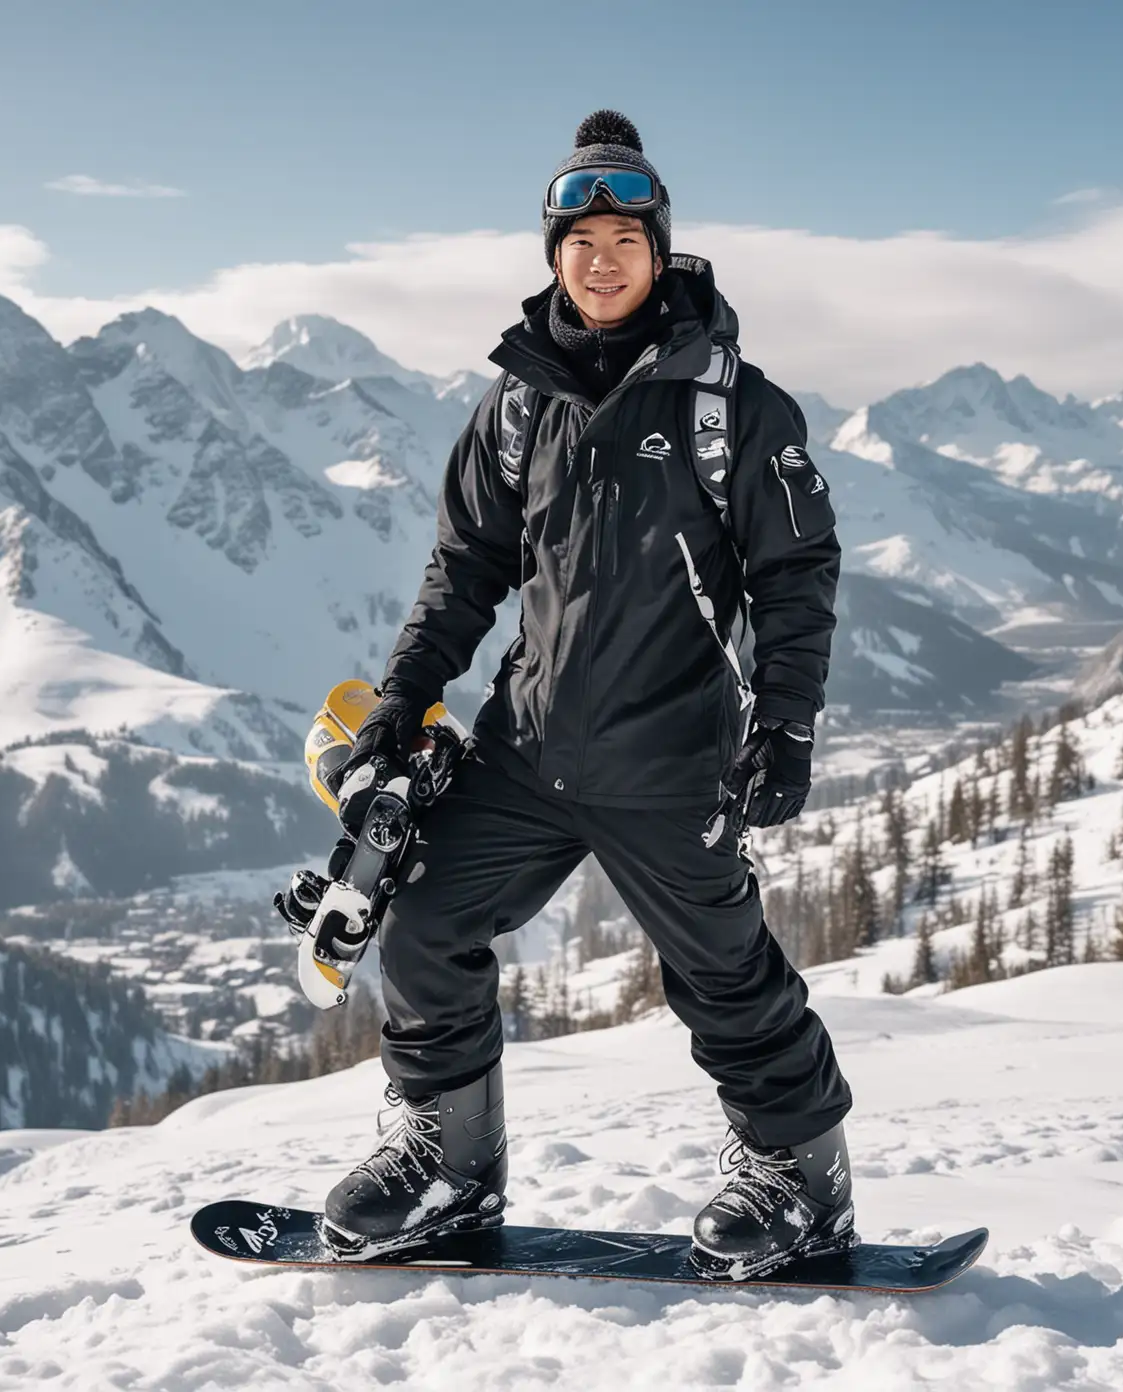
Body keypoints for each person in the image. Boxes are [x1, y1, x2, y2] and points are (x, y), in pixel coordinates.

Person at [319, 110, 852, 1281]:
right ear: (551, 254)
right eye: (579, 237)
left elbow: (795, 572)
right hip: (528, 748)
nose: (601, 256)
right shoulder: (518, 405)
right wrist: (400, 709)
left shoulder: (735, 408)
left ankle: (799, 1180)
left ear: (660, 249)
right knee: (420, 928)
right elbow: (464, 569)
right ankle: (452, 1167)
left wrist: (787, 719)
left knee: (724, 977)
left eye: (624, 234)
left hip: (673, 757)